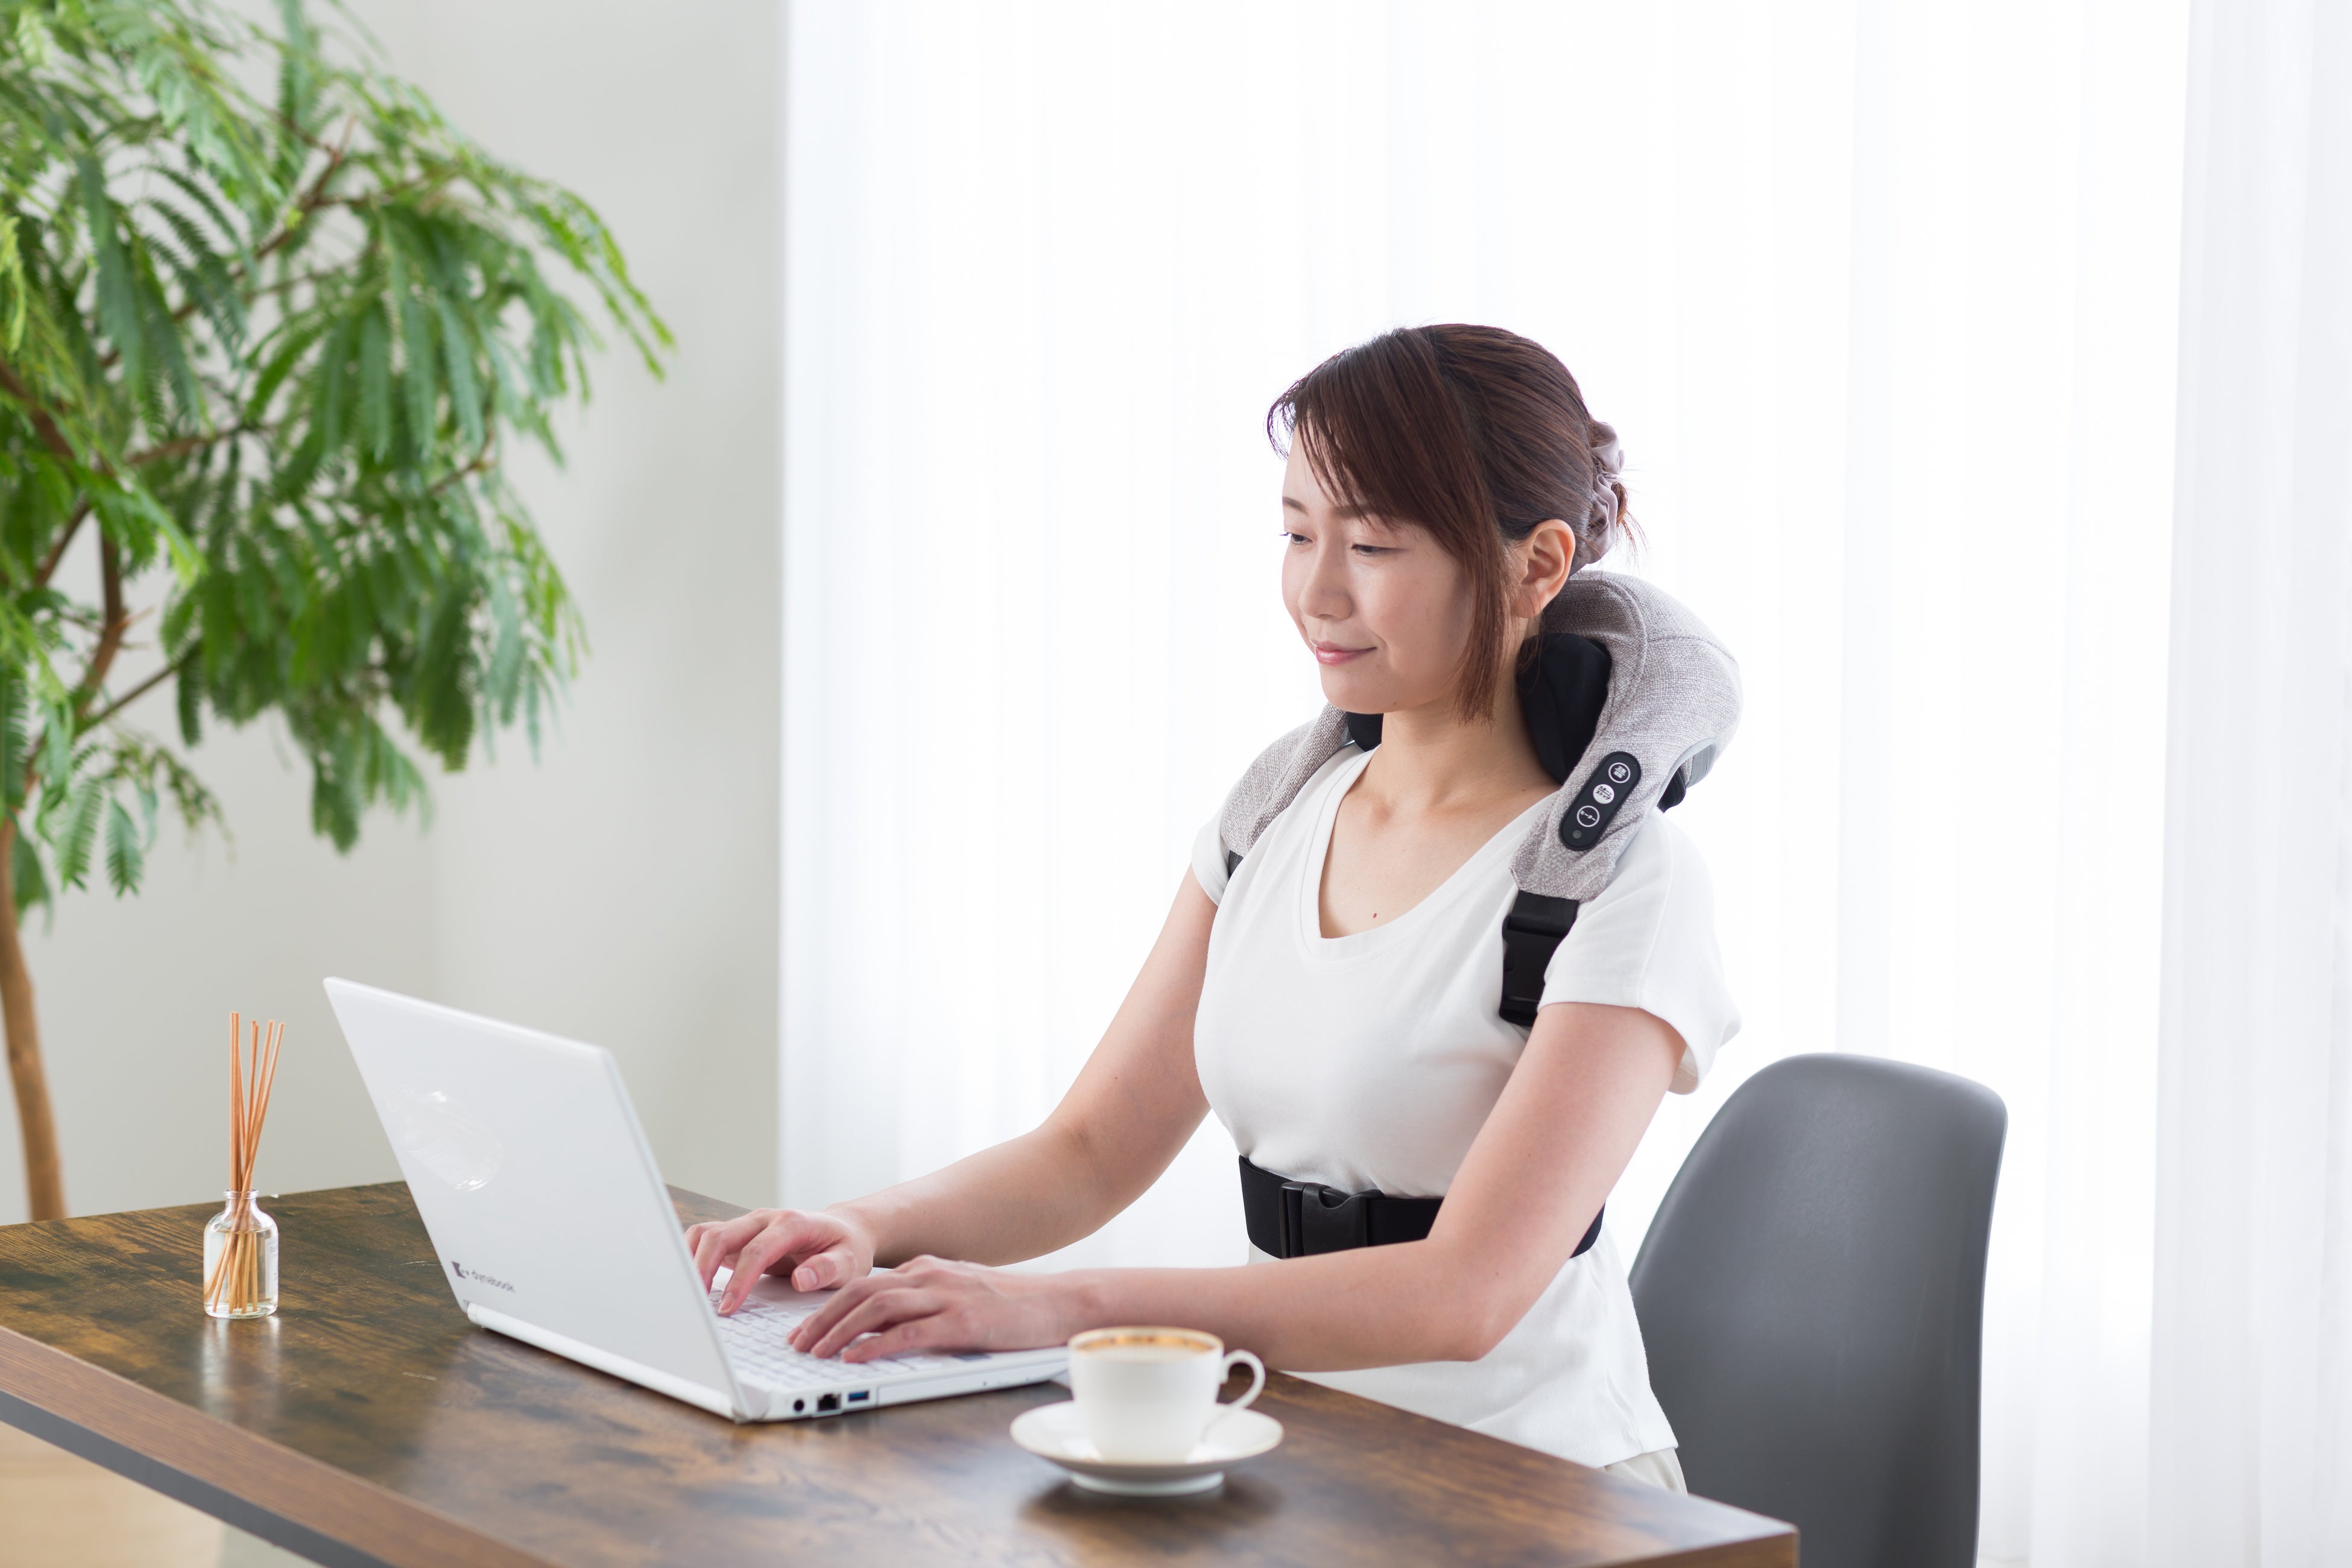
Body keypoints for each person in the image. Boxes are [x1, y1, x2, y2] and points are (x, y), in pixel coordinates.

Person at [688, 324, 1738, 1489]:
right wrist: (864, 1227)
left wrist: (1053, 1311)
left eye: (1373, 545)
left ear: (1537, 566)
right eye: (1296, 533)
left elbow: (1468, 1293)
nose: (1317, 592)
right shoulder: (1274, 819)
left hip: (1544, 1492)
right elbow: (1089, 1152)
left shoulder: (1623, 885)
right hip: (1301, 1460)